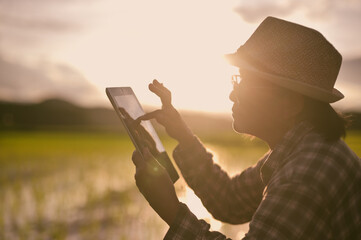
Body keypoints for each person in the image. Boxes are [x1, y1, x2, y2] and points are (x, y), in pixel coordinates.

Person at [131, 16, 361, 239]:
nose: (232, 93)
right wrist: (183, 134)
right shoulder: (304, 148)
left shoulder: (303, 178)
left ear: (291, 104)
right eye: (236, 79)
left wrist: (171, 209)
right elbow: (231, 200)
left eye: (246, 82)